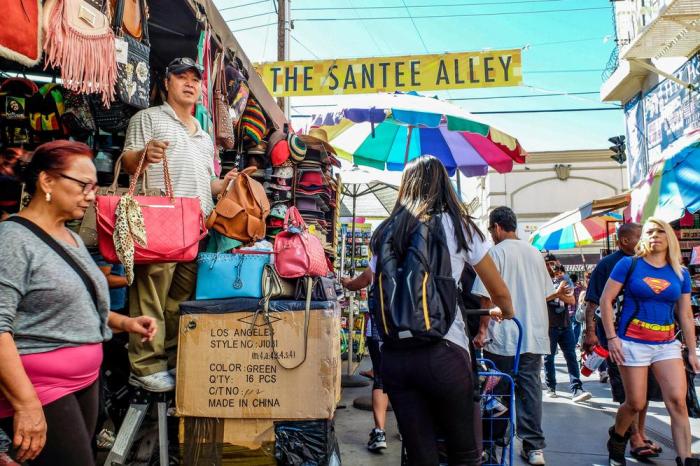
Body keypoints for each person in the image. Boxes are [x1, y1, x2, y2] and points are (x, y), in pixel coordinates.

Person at [0, 140, 157, 465]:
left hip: (84, 381)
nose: (91, 194)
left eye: (94, 186)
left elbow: (78, 301)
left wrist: (124, 323)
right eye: (83, 184)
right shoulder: (12, 240)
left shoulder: (69, 236)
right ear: (47, 181)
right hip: (41, 387)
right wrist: (27, 404)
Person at [370, 155, 514, 466]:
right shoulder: (461, 227)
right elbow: (498, 290)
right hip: (444, 352)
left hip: (395, 356)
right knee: (465, 455)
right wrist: (506, 310)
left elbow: (372, 282)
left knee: (421, 457)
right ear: (444, 186)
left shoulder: (383, 231)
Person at [120, 57, 237, 392]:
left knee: (177, 302)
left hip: (196, 226)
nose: (189, 83)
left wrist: (226, 184)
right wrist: (145, 153)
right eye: (181, 77)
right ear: (167, 82)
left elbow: (208, 182)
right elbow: (128, 162)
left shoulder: (204, 135)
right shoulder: (148, 119)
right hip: (160, 219)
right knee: (150, 296)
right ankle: (144, 366)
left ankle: (168, 361)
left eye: (195, 79)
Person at [602, 218, 699, 466]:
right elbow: (605, 301)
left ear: (669, 237)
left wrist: (692, 351)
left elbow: (686, 314)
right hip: (632, 342)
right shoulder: (629, 264)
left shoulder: (680, 272)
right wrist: (612, 338)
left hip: (667, 343)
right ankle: (617, 440)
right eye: (649, 232)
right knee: (635, 402)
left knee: (678, 400)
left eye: (659, 231)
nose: (655, 235)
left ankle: (686, 458)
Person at [473, 207, 566, 466]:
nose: (491, 234)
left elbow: (485, 296)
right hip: (533, 335)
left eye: (491, 230)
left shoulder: (495, 253)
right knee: (530, 391)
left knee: (496, 392)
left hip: (502, 337)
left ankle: (491, 444)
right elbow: (546, 293)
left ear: (497, 227)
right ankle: (534, 447)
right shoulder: (536, 254)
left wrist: (482, 331)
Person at [583, 223, 665, 459]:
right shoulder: (607, 265)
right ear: (624, 241)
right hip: (616, 340)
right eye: (640, 236)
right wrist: (591, 333)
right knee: (628, 394)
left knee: (644, 392)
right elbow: (592, 303)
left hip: (644, 339)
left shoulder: (648, 264)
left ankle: (639, 432)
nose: (647, 240)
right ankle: (634, 439)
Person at [340, 268, 389, 453]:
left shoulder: (379, 260)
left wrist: (346, 282)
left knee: (381, 380)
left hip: (378, 329)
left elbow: (358, 283)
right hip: (406, 329)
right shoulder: (414, 256)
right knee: (406, 381)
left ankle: (380, 433)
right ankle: (406, 430)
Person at [542, 256, 591, 403]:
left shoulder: (565, 280)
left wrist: (559, 293)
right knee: (548, 357)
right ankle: (551, 387)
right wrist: (557, 293)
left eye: (553, 263)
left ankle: (577, 388)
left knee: (570, 356)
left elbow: (571, 301)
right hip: (548, 325)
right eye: (548, 264)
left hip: (565, 324)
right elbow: (540, 298)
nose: (552, 266)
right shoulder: (541, 280)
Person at [569, 273, 584, 344]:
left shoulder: (569, 288)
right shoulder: (580, 288)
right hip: (578, 311)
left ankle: (570, 342)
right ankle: (574, 342)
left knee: (569, 328)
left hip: (569, 311)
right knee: (576, 327)